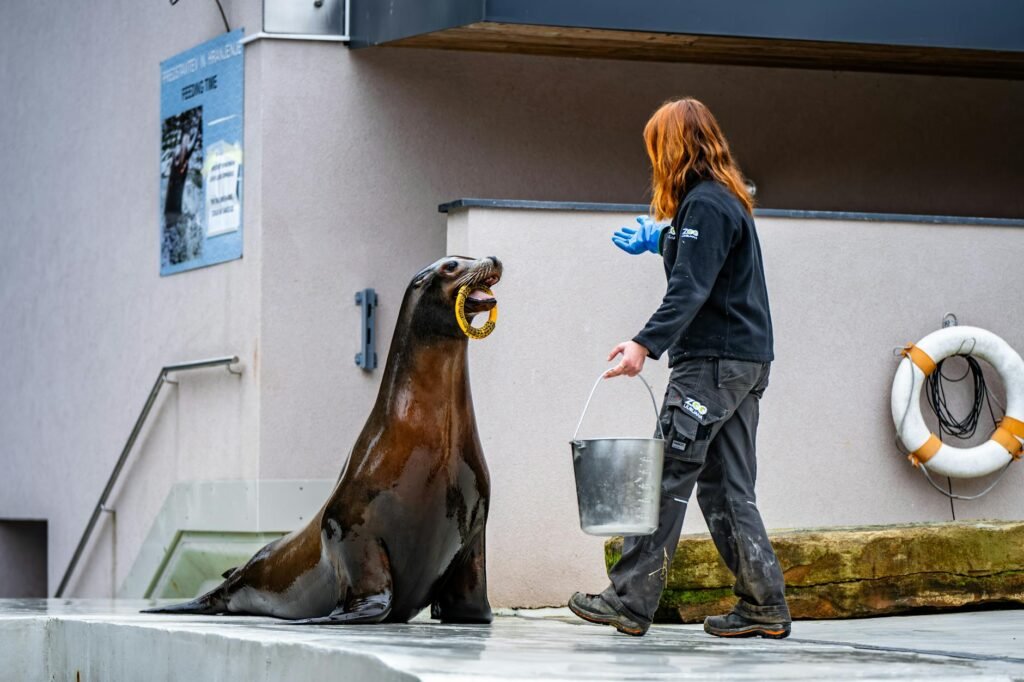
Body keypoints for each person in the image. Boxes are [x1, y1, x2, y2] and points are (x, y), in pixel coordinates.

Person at [568, 98, 791, 639]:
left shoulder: (707, 206)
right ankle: (764, 605)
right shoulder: (722, 201)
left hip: (710, 366)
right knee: (727, 488)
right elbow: (704, 262)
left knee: (663, 474)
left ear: (672, 148)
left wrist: (644, 343)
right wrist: (663, 239)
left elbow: (691, 288)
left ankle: (629, 600)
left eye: (655, 149)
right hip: (744, 364)